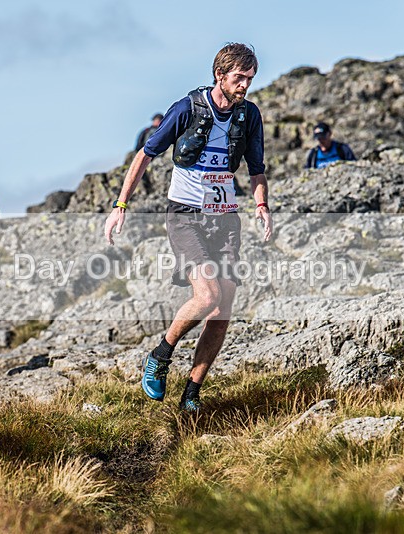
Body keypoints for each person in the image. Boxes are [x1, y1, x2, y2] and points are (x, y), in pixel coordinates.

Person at [104, 43, 273, 412]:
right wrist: (120, 206)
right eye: (239, 78)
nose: (245, 85)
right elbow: (145, 154)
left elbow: (256, 169)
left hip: (225, 218)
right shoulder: (188, 108)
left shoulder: (250, 115)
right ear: (220, 76)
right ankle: (160, 355)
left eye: (250, 79)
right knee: (208, 295)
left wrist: (261, 205)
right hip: (185, 215)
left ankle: (191, 393)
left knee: (221, 310)